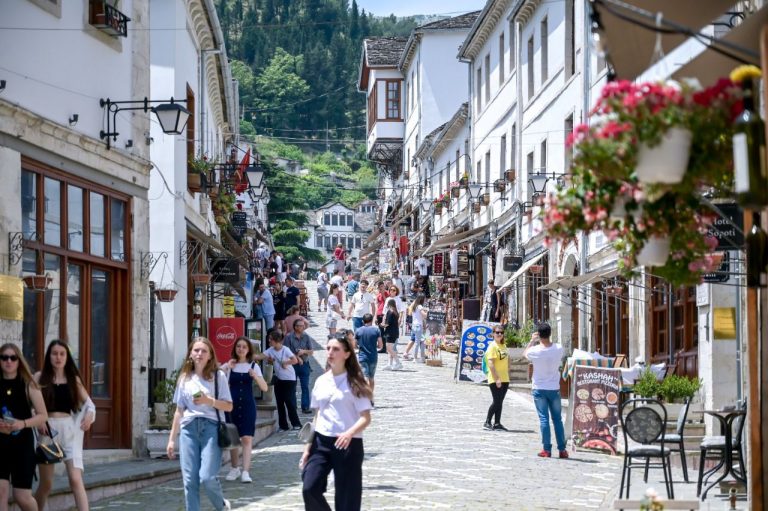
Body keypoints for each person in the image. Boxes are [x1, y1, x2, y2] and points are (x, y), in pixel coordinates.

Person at [300, 336, 373, 511]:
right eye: (328, 348)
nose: (330, 353)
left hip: (348, 443)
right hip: (321, 441)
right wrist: (308, 447)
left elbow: (366, 417)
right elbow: (317, 416)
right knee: (309, 488)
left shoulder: (355, 382)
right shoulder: (320, 381)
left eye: (336, 349)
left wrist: (349, 433)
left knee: (347, 500)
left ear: (347, 354)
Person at [166, 337, 233, 511]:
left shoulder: (218, 376)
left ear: (210, 355)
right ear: (190, 354)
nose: (199, 354)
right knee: (189, 481)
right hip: (188, 429)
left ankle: (221, 505)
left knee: (207, 477)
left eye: (204, 351)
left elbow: (229, 405)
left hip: (211, 428)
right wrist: (172, 439)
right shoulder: (184, 378)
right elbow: (179, 411)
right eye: (196, 350)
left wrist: (208, 400)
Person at [34, 340, 96, 511]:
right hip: (47, 432)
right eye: (54, 353)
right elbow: (28, 405)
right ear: (49, 356)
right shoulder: (39, 377)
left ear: (67, 357)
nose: (58, 357)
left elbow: (90, 405)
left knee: (75, 479)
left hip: (70, 431)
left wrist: (90, 416)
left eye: (62, 354)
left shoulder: (73, 379)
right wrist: (37, 420)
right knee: (46, 484)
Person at [0, 343, 48, 511]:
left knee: (22, 497)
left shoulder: (28, 384)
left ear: (19, 361)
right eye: (4, 357)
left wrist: (23, 423)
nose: (8, 361)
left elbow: (43, 415)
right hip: (0, 445)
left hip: (22, 445)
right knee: (0, 493)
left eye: (13, 358)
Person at [223, 337, 268, 484]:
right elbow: (217, 377)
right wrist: (226, 367)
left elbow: (264, 387)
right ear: (235, 349)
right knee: (233, 438)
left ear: (248, 349)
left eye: (244, 347)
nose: (241, 349)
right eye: (238, 346)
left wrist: (255, 376)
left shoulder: (254, 366)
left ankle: (245, 471)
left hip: (248, 405)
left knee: (247, 438)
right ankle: (234, 467)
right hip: (232, 405)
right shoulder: (231, 365)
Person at [523, 323, 568, 459]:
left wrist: (532, 340)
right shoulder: (558, 348)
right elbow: (561, 353)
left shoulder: (535, 351)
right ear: (550, 333)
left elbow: (525, 354)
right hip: (554, 388)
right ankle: (562, 450)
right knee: (557, 420)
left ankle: (546, 449)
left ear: (539, 335)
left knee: (544, 419)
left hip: (539, 388)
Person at [260, 330, 301, 431]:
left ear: (276, 340)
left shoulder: (285, 349)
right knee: (279, 402)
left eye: (270, 339)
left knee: (289, 401)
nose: (269, 341)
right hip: (279, 379)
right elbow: (260, 356)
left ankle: (296, 424)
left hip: (289, 379)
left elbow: (295, 360)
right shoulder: (270, 350)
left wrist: (286, 362)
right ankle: (283, 426)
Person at [284, 318, 315, 415]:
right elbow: (286, 352)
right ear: (295, 327)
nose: (302, 327)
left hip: (304, 365)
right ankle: (292, 407)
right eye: (300, 326)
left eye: (303, 326)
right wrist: (297, 357)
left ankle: (305, 407)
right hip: (292, 365)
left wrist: (303, 352)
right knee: (292, 387)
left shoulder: (306, 337)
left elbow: (311, 351)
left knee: (305, 386)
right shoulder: (288, 337)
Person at [483, 327, 510, 431]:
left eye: (501, 332)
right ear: (493, 334)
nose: (499, 334)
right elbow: (490, 363)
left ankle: (497, 423)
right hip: (495, 378)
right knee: (497, 401)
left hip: (505, 378)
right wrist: (497, 378)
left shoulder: (503, 345)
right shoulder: (492, 346)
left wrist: (509, 368)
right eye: (497, 332)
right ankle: (487, 421)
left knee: (500, 401)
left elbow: (507, 358)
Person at [355, 314, 382, 400]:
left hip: (362, 356)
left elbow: (354, 345)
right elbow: (380, 345)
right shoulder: (376, 330)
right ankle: (370, 397)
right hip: (373, 356)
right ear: (371, 320)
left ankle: (365, 397)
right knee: (371, 378)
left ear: (363, 321)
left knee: (365, 376)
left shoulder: (358, 331)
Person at [403, 294, 427, 362]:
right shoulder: (419, 306)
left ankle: (422, 357)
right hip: (418, 326)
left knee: (422, 341)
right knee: (417, 342)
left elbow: (420, 317)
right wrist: (428, 313)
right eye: (424, 299)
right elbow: (424, 315)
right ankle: (415, 358)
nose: (425, 300)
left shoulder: (414, 306)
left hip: (414, 325)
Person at [381, 300, 402, 370]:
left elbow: (387, 323)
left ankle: (398, 362)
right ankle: (389, 364)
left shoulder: (390, 312)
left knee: (389, 348)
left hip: (389, 332)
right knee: (390, 349)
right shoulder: (396, 312)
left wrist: (381, 325)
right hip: (395, 331)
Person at [374, 281, 388, 353]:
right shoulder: (378, 295)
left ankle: (388, 347)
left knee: (387, 331)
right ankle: (383, 347)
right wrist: (376, 317)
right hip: (379, 313)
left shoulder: (387, 293)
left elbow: (387, 302)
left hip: (385, 313)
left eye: (382, 286)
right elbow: (377, 305)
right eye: (379, 287)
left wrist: (383, 294)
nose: (381, 288)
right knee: (381, 332)